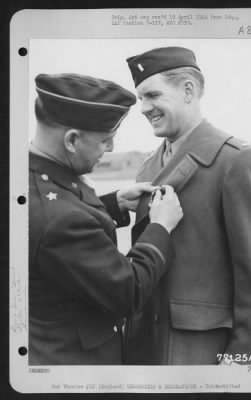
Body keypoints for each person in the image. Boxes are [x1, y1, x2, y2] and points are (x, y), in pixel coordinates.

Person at [125, 47, 251, 365]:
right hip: (146, 350)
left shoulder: (237, 161)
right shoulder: (147, 167)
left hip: (202, 353)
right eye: (140, 98)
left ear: (188, 91)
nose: (143, 108)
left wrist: (245, 363)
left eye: (152, 95)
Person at [29, 73, 183, 365]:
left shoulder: (29, 177)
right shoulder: (59, 218)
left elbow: (60, 223)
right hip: (75, 366)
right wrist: (160, 227)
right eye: (105, 140)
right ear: (72, 140)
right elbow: (128, 291)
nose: (110, 149)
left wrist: (115, 203)